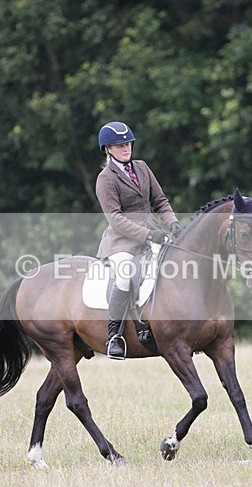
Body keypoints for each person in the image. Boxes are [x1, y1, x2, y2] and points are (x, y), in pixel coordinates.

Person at [95, 121, 182, 359]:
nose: (126, 148)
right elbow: (116, 219)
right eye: (119, 145)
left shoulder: (142, 168)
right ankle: (114, 335)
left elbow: (160, 201)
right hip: (122, 243)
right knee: (124, 276)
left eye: (128, 143)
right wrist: (147, 234)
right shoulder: (106, 179)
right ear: (108, 149)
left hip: (153, 236)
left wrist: (173, 223)